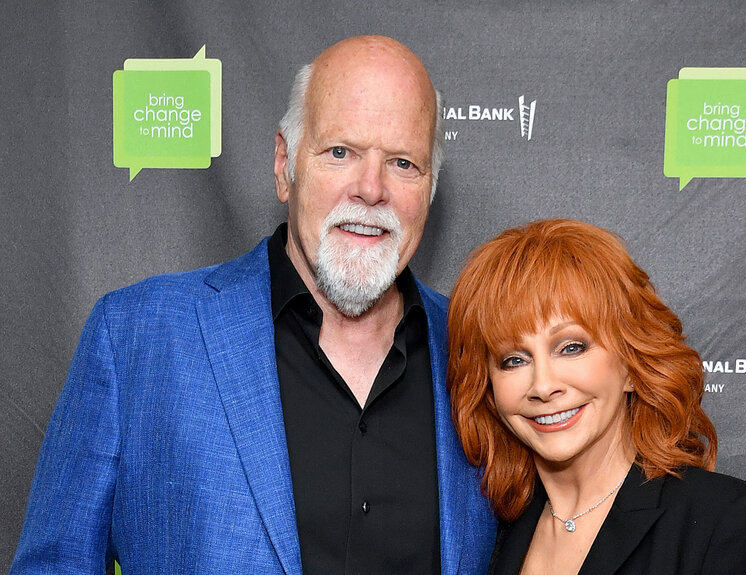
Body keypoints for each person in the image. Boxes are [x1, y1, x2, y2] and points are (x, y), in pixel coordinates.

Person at [11, 35, 496, 574]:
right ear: (284, 164)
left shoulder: (482, 353)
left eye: (404, 163)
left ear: (429, 187)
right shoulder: (135, 338)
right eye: (340, 152)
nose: (371, 188)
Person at [447, 219, 746, 574]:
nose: (543, 385)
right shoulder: (485, 534)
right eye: (514, 360)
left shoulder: (727, 523)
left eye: (570, 347)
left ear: (630, 364)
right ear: (488, 387)